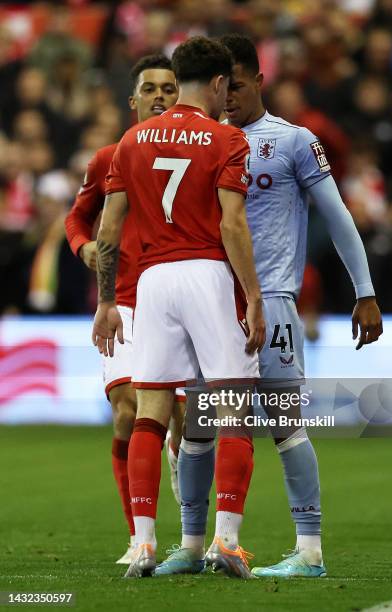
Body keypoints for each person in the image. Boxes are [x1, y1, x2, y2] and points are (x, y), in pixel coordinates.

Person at [91, 36, 265, 579]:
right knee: (234, 406)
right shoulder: (226, 138)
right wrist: (253, 296)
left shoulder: (132, 139)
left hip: (151, 283)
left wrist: (104, 302)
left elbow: (109, 230)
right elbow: (232, 225)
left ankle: (143, 544)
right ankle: (226, 542)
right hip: (208, 274)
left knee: (151, 412)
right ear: (217, 83)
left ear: (179, 79)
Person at [216, 34, 381, 578]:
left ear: (259, 81)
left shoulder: (292, 141)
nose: (228, 95)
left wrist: (365, 291)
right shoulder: (207, 142)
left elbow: (337, 216)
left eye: (237, 84)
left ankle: (309, 550)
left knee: (285, 425)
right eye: (221, 86)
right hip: (213, 303)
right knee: (200, 425)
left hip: (276, 302)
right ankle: (199, 544)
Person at [65, 54, 183, 565]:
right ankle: (141, 537)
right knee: (129, 409)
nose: (160, 96)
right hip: (126, 302)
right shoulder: (109, 158)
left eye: (170, 88)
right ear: (132, 99)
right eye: (150, 89)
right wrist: (83, 247)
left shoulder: (199, 155)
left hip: (180, 301)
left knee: (183, 417)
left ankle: (194, 532)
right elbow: (78, 217)